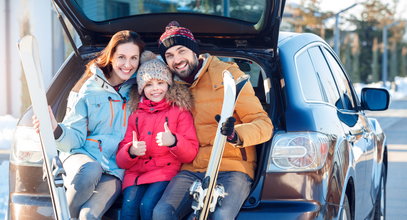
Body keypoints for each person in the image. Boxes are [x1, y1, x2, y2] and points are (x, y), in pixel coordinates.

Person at [152, 21, 274, 220]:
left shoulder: (229, 76)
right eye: (169, 56)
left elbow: (264, 125)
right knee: (162, 212)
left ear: (194, 51)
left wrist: (236, 134)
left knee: (219, 216)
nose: (177, 60)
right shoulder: (169, 87)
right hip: (192, 167)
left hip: (232, 166)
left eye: (181, 51)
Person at [33, 30, 145, 219]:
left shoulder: (141, 89)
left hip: (115, 169)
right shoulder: (88, 88)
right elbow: (74, 138)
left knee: (88, 216)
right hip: (82, 159)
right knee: (91, 170)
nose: (128, 65)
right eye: (122, 57)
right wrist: (54, 129)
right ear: (110, 57)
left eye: (134, 58)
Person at [116, 58, 199, 220]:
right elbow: (122, 161)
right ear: (141, 88)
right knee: (129, 209)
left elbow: (190, 153)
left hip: (164, 173)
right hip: (136, 174)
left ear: (168, 84)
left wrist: (174, 141)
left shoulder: (179, 111)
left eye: (160, 82)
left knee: (147, 207)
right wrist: (131, 151)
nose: (155, 89)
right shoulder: (136, 113)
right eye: (148, 84)